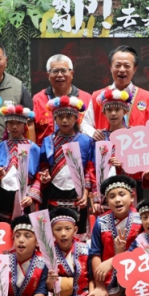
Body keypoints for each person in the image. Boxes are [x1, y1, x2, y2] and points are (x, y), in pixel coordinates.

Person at [35, 95, 95, 234]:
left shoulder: (86, 141)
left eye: (69, 116)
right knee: (53, 231)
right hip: (53, 192)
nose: (64, 120)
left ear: (76, 118)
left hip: (77, 194)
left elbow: (88, 169)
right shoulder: (48, 141)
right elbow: (43, 165)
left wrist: (86, 194)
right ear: (55, 118)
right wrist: (44, 175)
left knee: (77, 233)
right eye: (60, 116)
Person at [89, 176, 143, 296]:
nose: (117, 200)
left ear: (132, 197)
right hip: (110, 275)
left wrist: (113, 260)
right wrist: (100, 285)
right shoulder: (101, 222)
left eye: (122, 194)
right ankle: (116, 293)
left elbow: (141, 251)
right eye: (112, 196)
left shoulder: (141, 219)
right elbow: (95, 252)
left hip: (137, 271)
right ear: (107, 201)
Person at [89, 86, 142, 215]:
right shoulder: (99, 138)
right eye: (109, 110)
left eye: (117, 109)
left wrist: (124, 165)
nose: (113, 113)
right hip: (104, 195)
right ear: (103, 112)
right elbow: (92, 170)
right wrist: (96, 198)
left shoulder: (134, 136)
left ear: (125, 111)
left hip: (127, 191)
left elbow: (141, 167)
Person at [82, 45, 149, 140]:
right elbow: (85, 123)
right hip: (104, 151)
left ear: (135, 69)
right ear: (111, 67)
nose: (122, 70)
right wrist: (93, 133)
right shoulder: (97, 96)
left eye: (127, 66)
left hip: (137, 152)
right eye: (117, 65)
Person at [45, 208, 97, 296]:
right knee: (64, 283)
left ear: (75, 230)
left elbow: (92, 277)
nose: (63, 233)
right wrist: (50, 281)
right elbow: (46, 285)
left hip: (82, 293)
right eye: (58, 229)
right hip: (58, 295)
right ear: (52, 232)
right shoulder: (48, 253)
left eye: (68, 229)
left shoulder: (85, 249)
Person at [0, 103, 41, 221]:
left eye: (18, 123)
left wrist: (32, 196)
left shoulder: (34, 148)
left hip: (26, 198)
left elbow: (39, 175)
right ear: (6, 125)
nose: (14, 127)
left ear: (24, 125)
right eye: (11, 123)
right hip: (4, 196)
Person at [32, 54, 92, 146]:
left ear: (71, 74)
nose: (59, 75)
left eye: (64, 71)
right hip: (46, 157)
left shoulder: (86, 98)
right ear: (48, 75)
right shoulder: (38, 100)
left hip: (80, 156)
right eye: (55, 71)